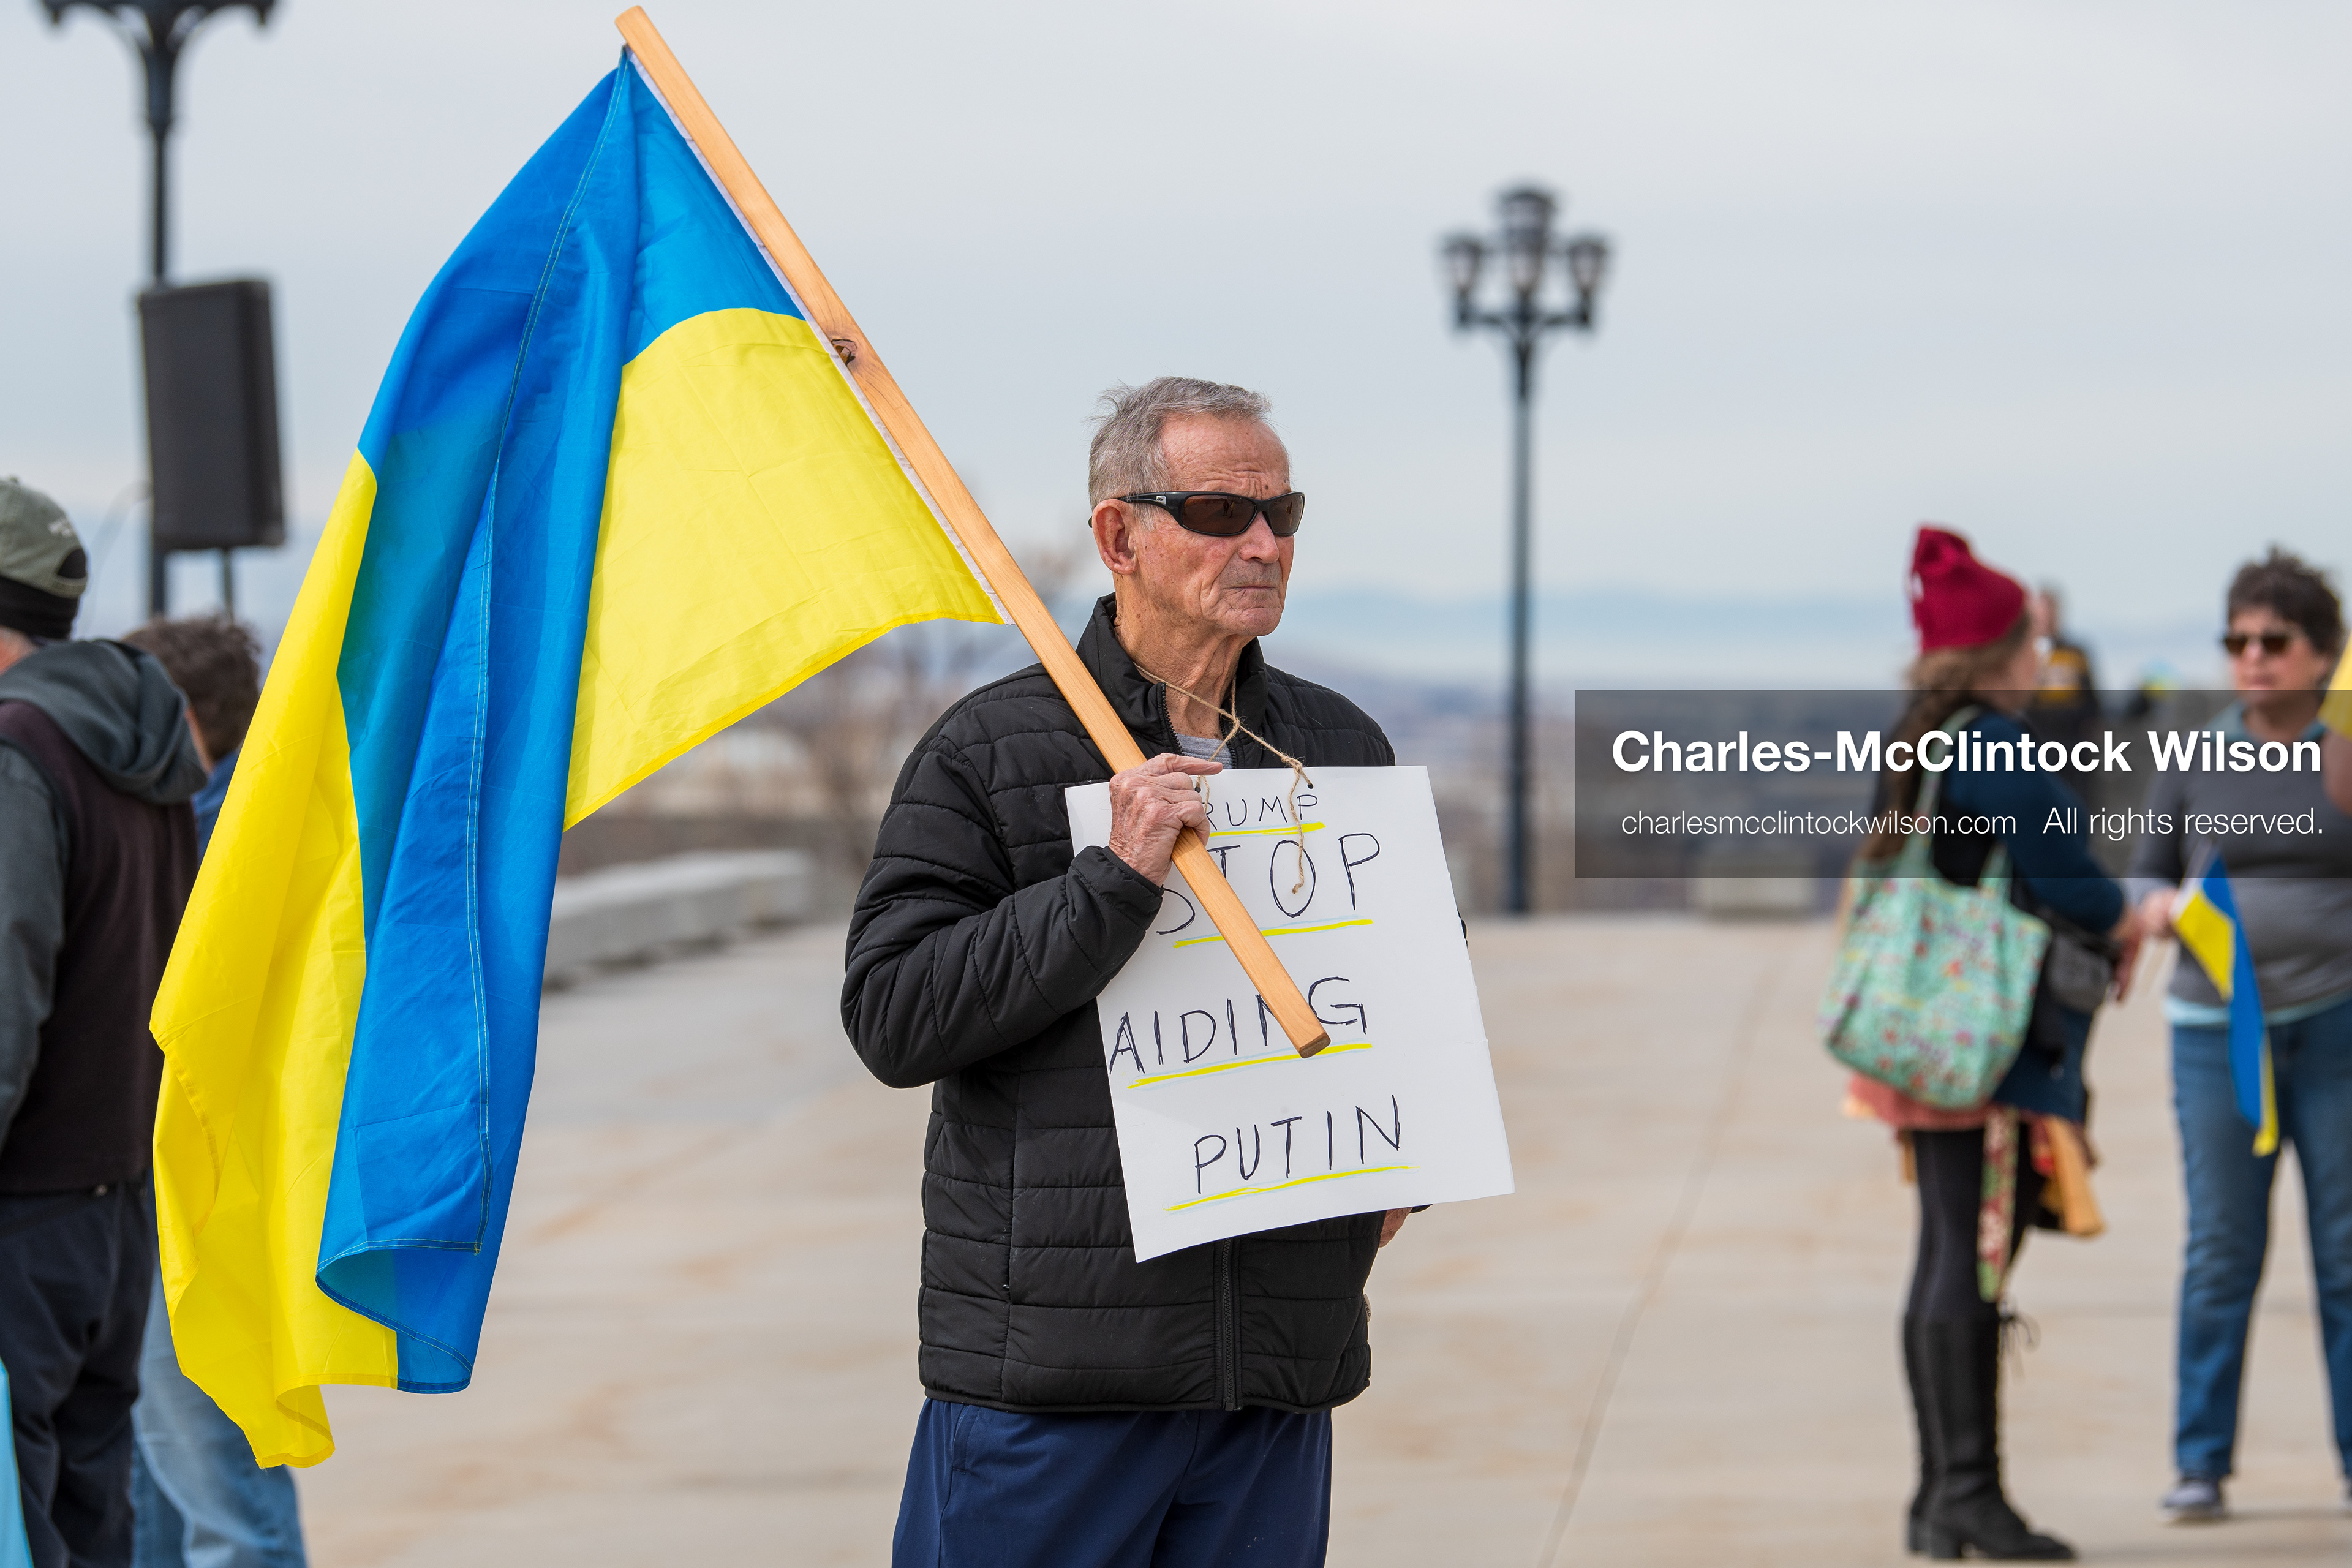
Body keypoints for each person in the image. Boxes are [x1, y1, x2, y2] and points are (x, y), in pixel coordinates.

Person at [843, 378, 1404, 1567]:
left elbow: (1406, 999)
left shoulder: (1341, 747)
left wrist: (1406, 1160)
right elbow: (894, 1014)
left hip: (1274, 1379)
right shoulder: (989, 751)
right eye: (1216, 510)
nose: (1262, 542)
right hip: (1056, 1388)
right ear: (1119, 536)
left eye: (1281, 511)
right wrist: (1111, 879)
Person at [1845, 526, 2138, 1562]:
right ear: (2007, 653)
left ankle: (1942, 1498)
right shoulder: (1998, 748)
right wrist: (2139, 917)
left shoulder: (1920, 738)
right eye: (2035, 644)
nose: (2046, 661)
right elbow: (2083, 888)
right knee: (1971, 1262)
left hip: (1925, 1045)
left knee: (1947, 1255)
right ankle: (1968, 1494)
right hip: (1988, 1050)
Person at [0, 477, 206, 1568]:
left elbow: (3, 999)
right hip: (118, 1206)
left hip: (22, 1212)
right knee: (92, 1512)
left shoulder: (17, 753)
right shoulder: (145, 744)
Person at [2126, 548, 2352, 1523]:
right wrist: (2165, 907)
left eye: (2275, 641)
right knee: (2222, 1249)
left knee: (2347, 1254)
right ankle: (2201, 1462)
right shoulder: (2193, 756)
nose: (2253, 659)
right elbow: (2140, 879)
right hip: (2217, 1034)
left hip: (2338, 1029)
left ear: (2322, 655)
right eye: (2237, 641)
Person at [115, 617, 305, 1568]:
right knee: (156, 1461)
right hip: (166, 1175)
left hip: (198, 1184)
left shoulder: (218, 841)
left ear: (184, 718)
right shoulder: (208, 819)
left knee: (207, 1465)